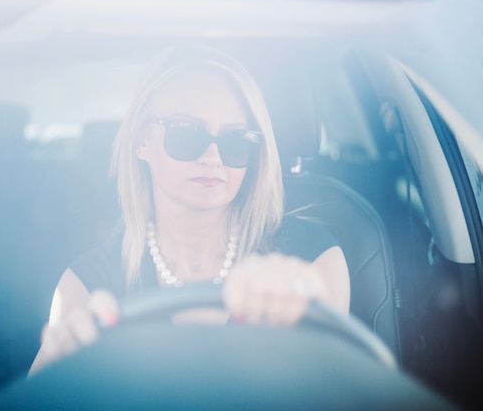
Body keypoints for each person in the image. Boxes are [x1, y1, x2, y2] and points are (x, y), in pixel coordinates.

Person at [29, 46, 350, 375]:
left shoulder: (311, 261)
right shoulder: (86, 286)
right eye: (186, 133)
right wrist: (60, 370)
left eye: (236, 140)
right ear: (141, 141)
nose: (213, 156)